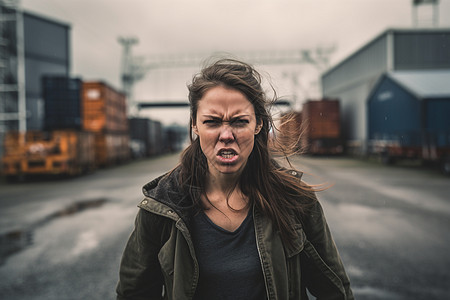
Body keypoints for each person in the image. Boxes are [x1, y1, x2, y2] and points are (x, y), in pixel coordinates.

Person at [116, 58, 354, 300]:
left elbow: (336, 292)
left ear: (259, 124)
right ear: (194, 125)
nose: (226, 135)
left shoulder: (295, 200)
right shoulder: (161, 208)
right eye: (212, 121)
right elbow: (133, 294)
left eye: (240, 121)